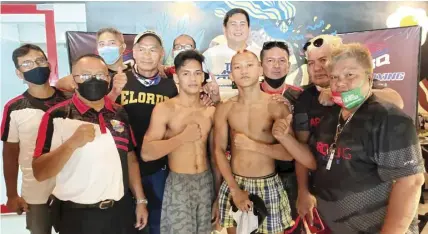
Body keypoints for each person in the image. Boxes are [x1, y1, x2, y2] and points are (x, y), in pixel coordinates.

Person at [301, 43, 424, 233]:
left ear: (369, 76)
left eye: (350, 75)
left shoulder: (390, 119)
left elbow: (410, 183)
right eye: (334, 77)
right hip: (332, 226)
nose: (340, 83)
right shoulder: (330, 116)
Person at [32, 54, 148, 234]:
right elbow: (40, 172)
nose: (94, 80)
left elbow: (130, 158)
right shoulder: (57, 116)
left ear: (109, 79)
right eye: (85, 76)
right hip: (77, 216)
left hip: (119, 213)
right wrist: (71, 144)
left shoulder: (119, 113)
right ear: (73, 80)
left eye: (100, 75)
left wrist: (140, 201)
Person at [214, 50, 316, 234]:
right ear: (231, 74)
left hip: (268, 183)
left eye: (249, 65)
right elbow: (218, 150)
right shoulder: (225, 108)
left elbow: (289, 153)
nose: (244, 71)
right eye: (237, 67)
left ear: (260, 69)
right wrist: (234, 189)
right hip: (235, 183)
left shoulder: (276, 105)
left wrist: (253, 146)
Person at [142, 50, 220, 233]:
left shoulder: (210, 110)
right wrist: (182, 138)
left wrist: (217, 196)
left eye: (197, 73)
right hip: (179, 183)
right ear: (177, 77)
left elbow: (216, 156)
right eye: (186, 73)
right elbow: (146, 153)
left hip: (206, 182)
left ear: (203, 76)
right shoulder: (165, 109)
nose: (193, 79)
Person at [1, 44, 71, 234]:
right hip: (36, 192)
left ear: (49, 64)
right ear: (18, 73)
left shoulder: (70, 101)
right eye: (27, 64)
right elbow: (10, 153)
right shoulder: (14, 107)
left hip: (72, 187)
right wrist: (12, 194)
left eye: (40, 61)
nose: (36, 67)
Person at [259, 41, 304, 228]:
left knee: (291, 226)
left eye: (281, 60)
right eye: (270, 60)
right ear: (261, 65)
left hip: (291, 175)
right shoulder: (249, 94)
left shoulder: (301, 95)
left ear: (289, 64)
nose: (276, 66)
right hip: (258, 174)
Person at [56, 27, 129, 101]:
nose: (106, 48)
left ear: (123, 47)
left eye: (112, 43)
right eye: (102, 44)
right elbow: (59, 84)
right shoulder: (91, 73)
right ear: (98, 48)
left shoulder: (134, 72)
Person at [203, 8, 262, 100]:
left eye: (242, 24)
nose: (238, 28)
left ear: (249, 28)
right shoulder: (209, 55)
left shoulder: (260, 54)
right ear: (224, 28)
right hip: (217, 107)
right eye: (233, 24)